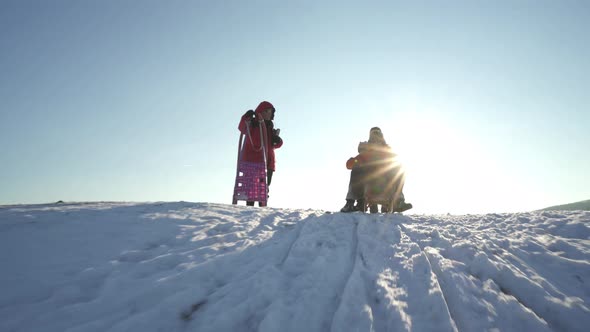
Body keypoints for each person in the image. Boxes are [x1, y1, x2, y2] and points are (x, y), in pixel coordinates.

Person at [340, 127, 412, 213]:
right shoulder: (366, 153)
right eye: (373, 134)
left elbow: (396, 162)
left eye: (377, 134)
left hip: (386, 181)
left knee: (399, 168)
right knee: (357, 168)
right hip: (368, 182)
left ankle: (398, 201)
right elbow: (349, 165)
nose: (376, 137)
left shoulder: (387, 152)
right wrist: (357, 159)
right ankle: (351, 202)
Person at [238, 101, 283, 206]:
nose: (270, 114)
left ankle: (262, 208)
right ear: (262, 111)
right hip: (253, 161)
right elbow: (242, 128)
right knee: (251, 187)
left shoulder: (270, 128)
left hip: (268, 162)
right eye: (268, 111)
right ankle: (250, 208)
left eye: (271, 112)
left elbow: (274, 145)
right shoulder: (252, 124)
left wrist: (278, 140)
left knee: (264, 187)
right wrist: (245, 117)